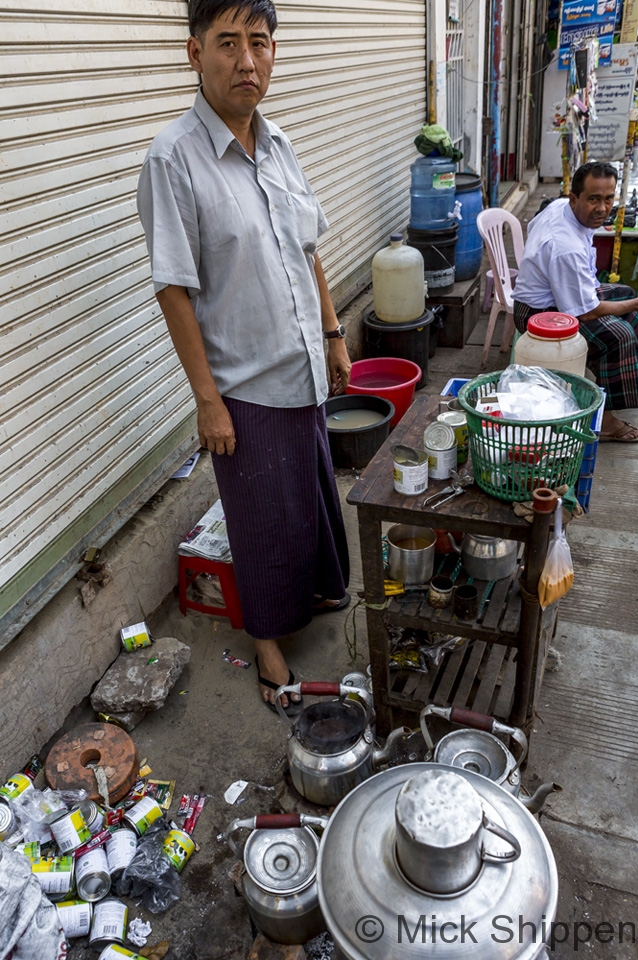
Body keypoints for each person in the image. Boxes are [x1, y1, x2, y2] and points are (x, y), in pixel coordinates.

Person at [136, 0, 351, 713]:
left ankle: (313, 592)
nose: (246, 60)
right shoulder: (173, 159)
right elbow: (173, 286)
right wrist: (206, 398)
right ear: (195, 53)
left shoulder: (279, 143)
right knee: (260, 519)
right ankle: (265, 643)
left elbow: (308, 249)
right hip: (244, 384)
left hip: (302, 365)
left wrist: (332, 334)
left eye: (258, 42)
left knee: (309, 498)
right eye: (226, 43)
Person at [512, 160, 638, 442]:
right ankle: (606, 420)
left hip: (555, 296)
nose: (603, 209)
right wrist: (635, 305)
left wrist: (632, 303)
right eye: (593, 199)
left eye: (609, 199)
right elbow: (589, 311)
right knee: (619, 335)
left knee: (625, 295)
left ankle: (620, 380)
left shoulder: (559, 206)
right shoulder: (564, 247)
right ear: (574, 198)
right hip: (537, 314)